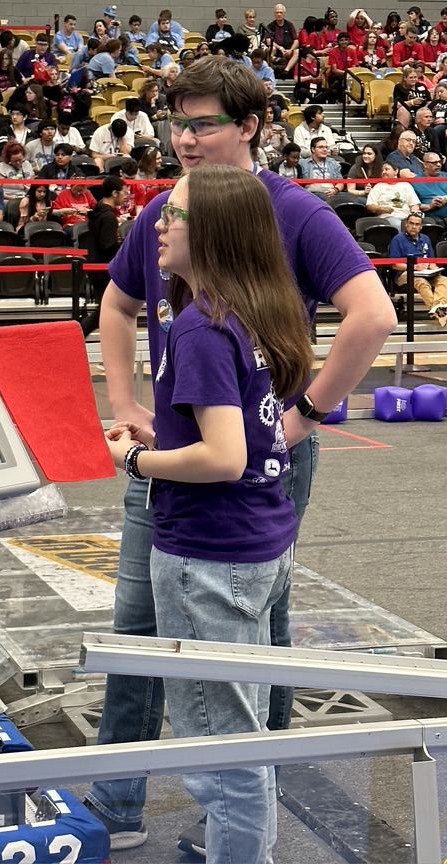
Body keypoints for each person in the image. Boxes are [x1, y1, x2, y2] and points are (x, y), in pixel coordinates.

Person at [83, 57, 395, 855]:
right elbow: (116, 304)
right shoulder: (166, 216)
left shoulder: (293, 212)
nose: (184, 140)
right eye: (175, 124)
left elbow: (372, 316)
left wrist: (305, 414)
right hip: (183, 451)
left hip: (249, 455)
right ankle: (123, 802)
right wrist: (126, 405)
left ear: (250, 124)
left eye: (203, 124)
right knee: (143, 624)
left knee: (254, 632)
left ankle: (238, 805)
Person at [105, 164, 315, 864]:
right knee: (242, 733)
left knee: (223, 756)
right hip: (256, 541)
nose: (158, 224)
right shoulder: (253, 309)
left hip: (208, 556)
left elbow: (223, 457)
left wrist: (139, 461)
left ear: (216, 233)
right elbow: (241, 432)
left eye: (175, 214)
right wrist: (165, 436)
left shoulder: (199, 327)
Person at [80, 178, 127, 337]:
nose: (125, 197)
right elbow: (108, 246)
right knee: (104, 311)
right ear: (115, 193)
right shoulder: (108, 217)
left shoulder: (98, 212)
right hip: (103, 269)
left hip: (96, 266)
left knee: (104, 310)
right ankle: (77, 335)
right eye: (124, 193)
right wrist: (124, 246)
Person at [389, 213, 447, 324]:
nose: (414, 226)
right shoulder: (397, 239)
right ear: (406, 224)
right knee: (422, 283)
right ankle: (440, 314)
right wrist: (414, 267)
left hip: (426, 272)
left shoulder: (425, 239)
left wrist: (432, 267)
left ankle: (439, 308)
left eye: (417, 224)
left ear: (421, 227)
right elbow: (395, 265)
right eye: (411, 223)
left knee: (444, 280)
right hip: (404, 273)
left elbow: (431, 260)